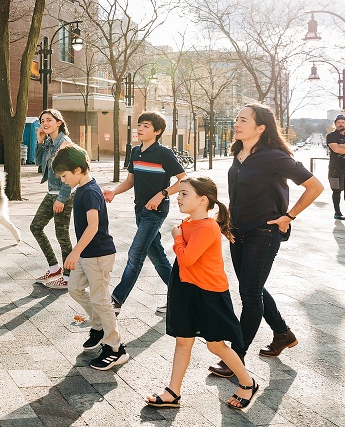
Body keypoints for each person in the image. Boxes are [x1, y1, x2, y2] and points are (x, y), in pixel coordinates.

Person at [208, 104, 324, 378]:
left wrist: (289, 216)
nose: (237, 123)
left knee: (249, 294)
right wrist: (226, 220)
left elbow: (315, 186)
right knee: (253, 287)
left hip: (265, 231)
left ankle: (236, 356)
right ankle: (282, 333)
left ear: (261, 127)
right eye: (236, 118)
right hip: (238, 230)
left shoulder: (274, 157)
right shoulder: (238, 152)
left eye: (243, 119)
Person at [144, 176, 257, 409]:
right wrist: (180, 233)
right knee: (183, 341)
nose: (178, 197)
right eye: (179, 193)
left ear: (202, 200)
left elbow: (186, 258)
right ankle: (173, 392)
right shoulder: (188, 222)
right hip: (187, 290)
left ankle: (247, 382)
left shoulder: (207, 227)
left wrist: (176, 238)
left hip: (209, 293)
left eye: (184, 194)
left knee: (215, 345)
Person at [53, 144, 129, 371]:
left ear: (77, 170)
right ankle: (98, 326)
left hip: (98, 255)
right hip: (87, 254)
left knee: (101, 300)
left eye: (64, 176)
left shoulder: (90, 192)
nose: (63, 181)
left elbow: (93, 226)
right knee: (74, 288)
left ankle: (115, 347)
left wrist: (75, 251)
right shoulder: (82, 190)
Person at [103, 111, 186, 314]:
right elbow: (130, 181)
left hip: (156, 210)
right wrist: (114, 191)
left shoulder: (163, 153)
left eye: (146, 125)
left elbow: (183, 179)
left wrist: (162, 194)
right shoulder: (135, 152)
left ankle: (116, 300)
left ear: (157, 131)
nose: (140, 128)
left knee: (135, 253)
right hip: (140, 210)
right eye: (139, 125)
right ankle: (182, 298)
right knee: (157, 256)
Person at [31, 109, 74, 289]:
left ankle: (69, 276)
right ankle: (54, 267)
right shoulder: (50, 142)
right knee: (36, 227)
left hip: (64, 193)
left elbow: (71, 174)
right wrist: (40, 141)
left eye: (49, 120)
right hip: (52, 192)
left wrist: (62, 199)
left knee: (62, 234)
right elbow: (38, 163)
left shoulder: (65, 143)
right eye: (42, 121)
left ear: (59, 122)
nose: (45, 123)